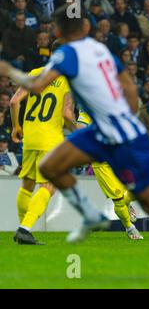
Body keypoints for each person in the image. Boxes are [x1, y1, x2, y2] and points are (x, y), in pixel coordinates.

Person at [0, 5, 149, 275]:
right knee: (53, 168)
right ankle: (87, 213)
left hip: (115, 131)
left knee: (148, 201)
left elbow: (39, 89)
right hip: (101, 130)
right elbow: (128, 92)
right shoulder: (94, 54)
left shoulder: (70, 58)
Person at [9, 45, 75, 244]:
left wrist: (15, 127)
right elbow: (66, 114)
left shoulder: (34, 74)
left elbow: (13, 102)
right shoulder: (65, 81)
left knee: (28, 184)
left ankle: (24, 230)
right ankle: (25, 228)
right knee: (49, 185)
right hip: (51, 140)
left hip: (30, 138)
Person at [77, 109, 143, 240]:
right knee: (118, 200)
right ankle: (130, 228)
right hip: (101, 163)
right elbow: (80, 127)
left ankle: (127, 204)